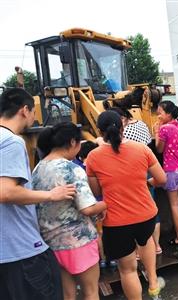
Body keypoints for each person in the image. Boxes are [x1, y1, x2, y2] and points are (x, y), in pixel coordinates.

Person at [0, 88, 76, 300]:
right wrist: (51, 195)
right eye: (33, 111)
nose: (34, 117)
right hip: (22, 250)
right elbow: (5, 192)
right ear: (24, 110)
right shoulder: (11, 141)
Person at [86, 111, 167, 299]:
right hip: (146, 215)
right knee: (145, 240)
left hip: (117, 222)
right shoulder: (142, 149)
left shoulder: (93, 157)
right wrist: (146, 183)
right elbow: (161, 178)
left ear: (99, 131)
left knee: (128, 270)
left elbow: (96, 192)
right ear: (123, 125)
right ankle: (153, 283)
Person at [33, 122, 107, 300]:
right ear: (73, 142)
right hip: (78, 242)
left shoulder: (37, 168)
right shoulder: (71, 168)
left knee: (67, 295)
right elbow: (88, 208)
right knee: (90, 292)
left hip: (51, 243)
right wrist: (106, 204)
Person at [100, 106, 163, 255]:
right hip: (145, 172)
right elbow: (161, 177)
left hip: (126, 179)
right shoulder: (141, 125)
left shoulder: (102, 150)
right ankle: (157, 246)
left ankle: (135, 253)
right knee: (151, 208)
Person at [73, 141, 117, 268]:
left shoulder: (78, 167)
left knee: (98, 233)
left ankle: (102, 260)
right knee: (108, 230)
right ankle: (113, 258)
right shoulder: (100, 163)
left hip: (90, 203)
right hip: (104, 201)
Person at [154, 100, 178, 246]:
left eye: (160, 113)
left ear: (169, 114)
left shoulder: (165, 128)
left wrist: (157, 131)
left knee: (175, 205)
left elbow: (159, 149)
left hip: (172, 171)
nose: (158, 116)